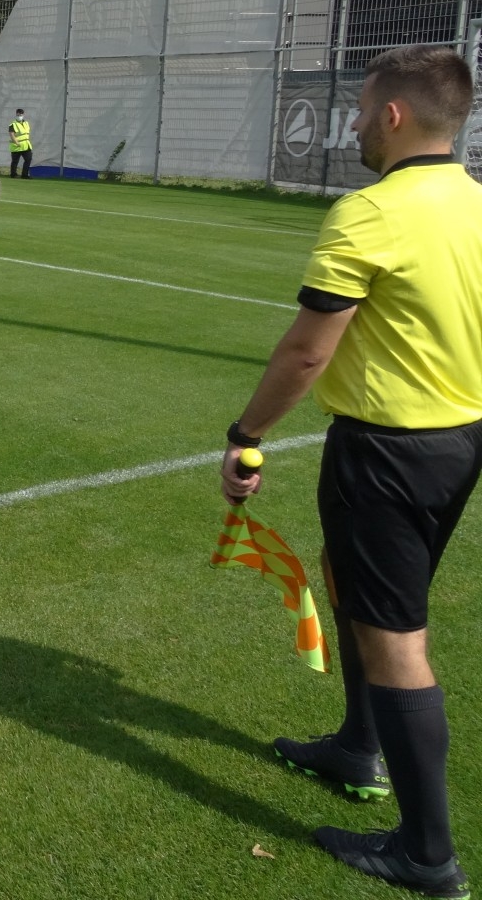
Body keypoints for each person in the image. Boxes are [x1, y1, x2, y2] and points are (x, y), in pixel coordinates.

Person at [221, 45, 482, 900]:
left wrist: (246, 434)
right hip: (457, 442)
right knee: (359, 593)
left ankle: (427, 854)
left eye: (364, 110)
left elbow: (306, 352)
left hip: (388, 450)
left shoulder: (372, 211)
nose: (358, 123)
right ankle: (356, 747)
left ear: (395, 116)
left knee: (397, 639)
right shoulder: (475, 202)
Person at [8, 108, 32, 179]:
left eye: (20, 115)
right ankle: (13, 174)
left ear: (23, 115)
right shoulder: (13, 124)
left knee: (28, 159)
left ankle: (25, 175)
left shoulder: (26, 123)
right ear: (16, 115)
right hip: (16, 145)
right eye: (17, 115)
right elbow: (11, 134)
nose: (19, 116)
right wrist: (16, 142)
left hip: (26, 145)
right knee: (15, 161)